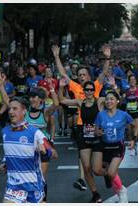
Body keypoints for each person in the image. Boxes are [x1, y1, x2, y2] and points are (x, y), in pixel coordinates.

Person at [0, 71, 59, 202]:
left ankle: (41, 198)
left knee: (40, 177)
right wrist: (1, 86)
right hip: (24, 148)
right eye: (31, 97)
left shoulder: (44, 112)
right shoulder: (24, 112)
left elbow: (56, 104)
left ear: (41, 100)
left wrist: (52, 88)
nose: (33, 99)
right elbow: (9, 102)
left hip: (41, 146)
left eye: (35, 97)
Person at [52, 44, 110, 191]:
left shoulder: (95, 86)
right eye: (80, 75)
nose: (82, 77)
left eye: (84, 75)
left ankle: (105, 173)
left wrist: (107, 57)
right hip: (82, 127)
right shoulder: (76, 88)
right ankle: (83, 179)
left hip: (98, 127)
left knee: (99, 159)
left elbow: (103, 73)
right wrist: (57, 57)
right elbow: (63, 74)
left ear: (89, 76)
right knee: (83, 156)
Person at [0, 97, 52, 203]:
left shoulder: (35, 132)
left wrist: (44, 151)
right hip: (13, 186)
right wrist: (4, 163)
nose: (10, 112)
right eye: (9, 109)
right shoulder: (4, 132)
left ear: (24, 111)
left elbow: (52, 153)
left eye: (14, 109)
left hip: (33, 185)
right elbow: (10, 153)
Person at [59, 79, 105, 202]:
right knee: (86, 167)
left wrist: (114, 87)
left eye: (91, 90)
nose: (89, 92)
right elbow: (62, 100)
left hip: (97, 138)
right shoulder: (80, 102)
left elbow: (115, 101)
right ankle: (95, 193)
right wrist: (60, 88)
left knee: (96, 169)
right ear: (84, 91)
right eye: (87, 90)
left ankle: (107, 175)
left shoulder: (99, 101)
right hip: (84, 138)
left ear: (94, 91)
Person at [94, 91, 134, 203]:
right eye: (107, 99)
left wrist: (132, 138)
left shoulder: (123, 115)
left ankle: (121, 191)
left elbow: (132, 125)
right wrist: (97, 132)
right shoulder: (100, 114)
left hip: (118, 145)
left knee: (112, 172)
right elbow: (96, 129)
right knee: (97, 171)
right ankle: (108, 177)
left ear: (117, 101)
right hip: (104, 145)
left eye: (111, 99)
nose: (108, 101)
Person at [123, 74, 138, 155]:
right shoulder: (127, 91)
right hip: (129, 113)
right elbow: (123, 102)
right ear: (129, 81)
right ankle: (135, 142)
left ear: (136, 81)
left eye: (133, 79)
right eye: (130, 79)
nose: (132, 81)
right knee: (130, 132)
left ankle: (135, 145)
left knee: (136, 130)